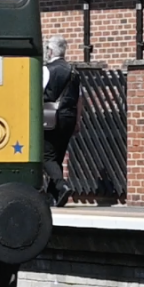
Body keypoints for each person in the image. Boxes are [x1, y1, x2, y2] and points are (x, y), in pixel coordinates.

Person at [39, 35, 82, 207]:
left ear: (50, 51)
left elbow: (37, 93)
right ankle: (53, 196)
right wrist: (78, 121)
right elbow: (80, 98)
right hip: (69, 117)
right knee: (57, 155)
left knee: (46, 155)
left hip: (51, 116)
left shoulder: (46, 70)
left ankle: (61, 185)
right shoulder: (74, 71)